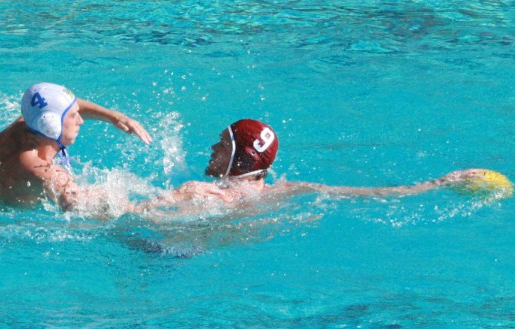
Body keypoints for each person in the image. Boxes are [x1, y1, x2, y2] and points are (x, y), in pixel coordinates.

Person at [132, 119, 512, 216]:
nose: (213, 147)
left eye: (223, 144)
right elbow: (375, 195)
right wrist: (440, 182)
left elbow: (118, 216)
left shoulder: (200, 193)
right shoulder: (289, 190)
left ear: (240, 159)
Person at [0, 82, 152, 211]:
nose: (81, 120)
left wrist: (114, 116)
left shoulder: (25, 125)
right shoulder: (39, 168)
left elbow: (62, 105)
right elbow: (81, 206)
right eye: (73, 116)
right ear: (51, 125)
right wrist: (172, 200)